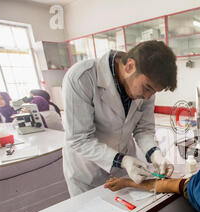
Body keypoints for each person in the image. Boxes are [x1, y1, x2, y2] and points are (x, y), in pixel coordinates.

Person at [62, 40, 177, 197]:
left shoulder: (146, 88)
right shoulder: (82, 78)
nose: (148, 96)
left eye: (154, 92)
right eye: (147, 88)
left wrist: (155, 154)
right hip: (88, 172)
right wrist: (122, 161)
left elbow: (143, 129)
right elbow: (79, 139)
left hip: (125, 169)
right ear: (129, 66)